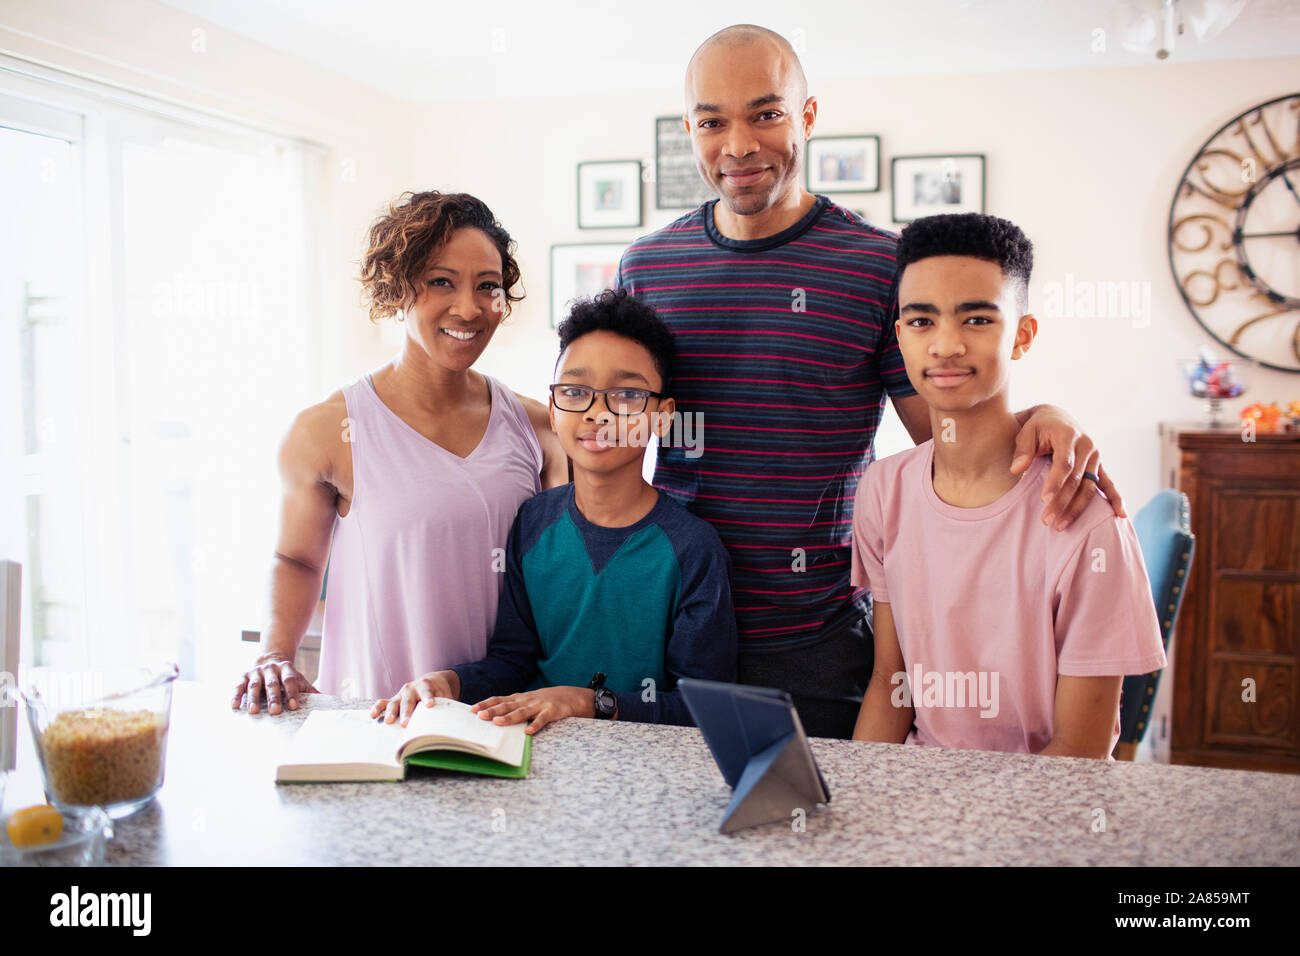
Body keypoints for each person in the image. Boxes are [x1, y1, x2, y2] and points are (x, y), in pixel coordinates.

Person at [617, 23, 1127, 739]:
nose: (738, 145)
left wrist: (1047, 413)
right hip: (667, 622)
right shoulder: (646, 269)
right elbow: (598, 429)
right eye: (712, 121)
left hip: (814, 642)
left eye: (766, 113)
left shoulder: (877, 266)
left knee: (813, 840)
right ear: (689, 130)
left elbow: (953, 443)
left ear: (808, 116)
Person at [232, 191, 567, 715]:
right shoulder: (326, 431)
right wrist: (274, 655)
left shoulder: (538, 427)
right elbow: (296, 559)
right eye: (441, 282)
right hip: (374, 720)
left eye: (488, 287)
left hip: (501, 719)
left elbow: (561, 577)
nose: (469, 308)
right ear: (396, 287)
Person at [850, 213, 1165, 757]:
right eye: (922, 322)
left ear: (1021, 336)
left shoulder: (1085, 520)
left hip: (1040, 813)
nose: (945, 346)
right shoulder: (883, 490)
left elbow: (1079, 754)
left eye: (975, 320)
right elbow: (890, 684)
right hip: (917, 802)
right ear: (899, 336)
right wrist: (855, 800)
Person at [370, 289, 738, 733]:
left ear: (661, 417)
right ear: (553, 407)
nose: (598, 412)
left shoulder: (694, 548)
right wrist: (449, 681)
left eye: (625, 395)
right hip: (534, 755)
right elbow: (512, 660)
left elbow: (703, 709)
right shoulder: (533, 522)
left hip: (643, 771)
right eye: (576, 391)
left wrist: (588, 702)